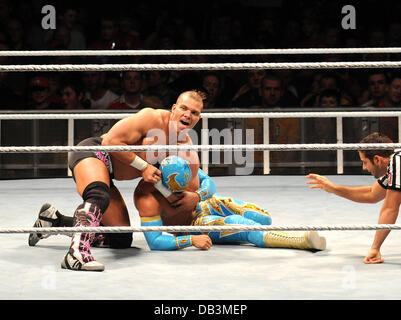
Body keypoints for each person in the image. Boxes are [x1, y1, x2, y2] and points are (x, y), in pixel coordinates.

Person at [31, 90, 207, 271]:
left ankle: (54, 221)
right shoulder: (151, 118)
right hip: (95, 152)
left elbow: (161, 183)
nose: (188, 115)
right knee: (99, 195)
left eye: (194, 113)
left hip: (110, 174)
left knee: (120, 238)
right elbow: (110, 142)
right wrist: (144, 167)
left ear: (198, 118)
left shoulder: (185, 150)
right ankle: (76, 254)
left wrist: (193, 197)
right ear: (174, 108)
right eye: (184, 108)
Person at [135, 155, 326, 251]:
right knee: (245, 227)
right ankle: (301, 241)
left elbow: (209, 183)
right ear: (160, 180)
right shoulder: (147, 199)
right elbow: (155, 241)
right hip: (191, 225)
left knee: (263, 218)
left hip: (205, 203)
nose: (178, 195)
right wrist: (190, 240)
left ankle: (267, 235)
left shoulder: (181, 165)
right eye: (174, 191)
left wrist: (198, 195)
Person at [305, 132, 398, 264]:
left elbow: (390, 209)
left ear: (377, 160)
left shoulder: (397, 163)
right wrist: (334, 188)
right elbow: (372, 194)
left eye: (365, 162)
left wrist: (375, 248)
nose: (364, 167)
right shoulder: (394, 163)